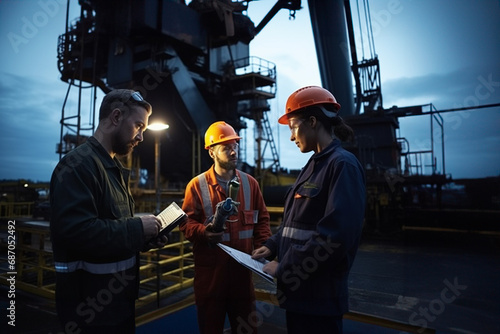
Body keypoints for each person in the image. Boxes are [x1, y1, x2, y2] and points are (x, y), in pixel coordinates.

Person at [50, 89, 168, 333]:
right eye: (138, 126)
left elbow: (112, 227)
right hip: (88, 311)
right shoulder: (78, 165)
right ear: (115, 117)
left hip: (116, 304)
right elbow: (78, 232)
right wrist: (137, 227)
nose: (141, 137)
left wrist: (144, 237)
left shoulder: (111, 167)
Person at [252, 86, 366, 334]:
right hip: (301, 295)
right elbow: (297, 224)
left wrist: (283, 267)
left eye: (293, 127)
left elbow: (334, 238)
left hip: (320, 299)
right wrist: (272, 244)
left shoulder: (342, 166)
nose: (292, 136)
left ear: (312, 122)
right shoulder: (313, 166)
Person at [180, 121, 272, 334]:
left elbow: (262, 221)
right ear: (212, 152)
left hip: (242, 276)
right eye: (226, 148)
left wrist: (264, 245)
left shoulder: (251, 184)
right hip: (211, 278)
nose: (233, 152)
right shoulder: (196, 185)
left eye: (235, 146)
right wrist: (204, 233)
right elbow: (185, 224)